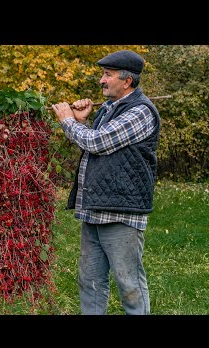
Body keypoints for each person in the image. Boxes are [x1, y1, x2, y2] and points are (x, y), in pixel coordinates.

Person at [52, 50, 161, 315]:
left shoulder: (140, 112)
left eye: (107, 75)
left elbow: (97, 142)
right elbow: (98, 140)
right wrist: (83, 121)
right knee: (89, 282)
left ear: (126, 81)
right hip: (97, 210)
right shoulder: (111, 109)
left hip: (122, 213)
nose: (101, 80)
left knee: (129, 285)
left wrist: (67, 121)